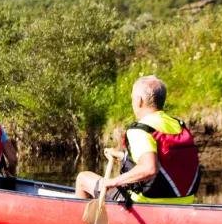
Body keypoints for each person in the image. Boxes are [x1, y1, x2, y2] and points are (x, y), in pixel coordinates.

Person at [74, 75, 201, 203]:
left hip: (145, 203)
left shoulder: (140, 129)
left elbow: (149, 168)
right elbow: (164, 160)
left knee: (83, 178)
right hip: (184, 202)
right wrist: (122, 156)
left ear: (139, 101)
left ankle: (77, 223)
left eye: (132, 99)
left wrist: (113, 181)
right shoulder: (178, 124)